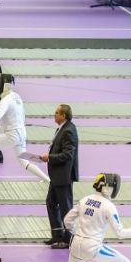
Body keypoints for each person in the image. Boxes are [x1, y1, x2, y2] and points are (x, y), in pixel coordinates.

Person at [42, 104, 79, 249]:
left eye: (57, 113)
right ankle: (57, 235)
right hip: (57, 176)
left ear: (64, 115)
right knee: (51, 203)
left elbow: (68, 155)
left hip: (63, 176)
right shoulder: (62, 129)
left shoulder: (68, 130)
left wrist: (50, 157)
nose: (54, 115)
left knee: (66, 209)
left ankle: (68, 239)